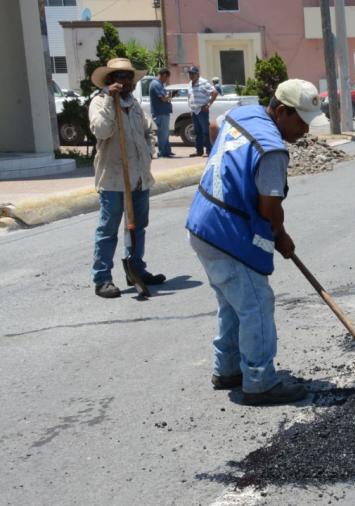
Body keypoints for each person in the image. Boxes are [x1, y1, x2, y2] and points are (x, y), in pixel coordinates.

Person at [185, 79, 322, 405]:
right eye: (301, 121)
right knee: (257, 304)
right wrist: (282, 237)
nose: (305, 130)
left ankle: (228, 368)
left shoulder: (244, 115)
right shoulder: (272, 149)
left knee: (233, 302)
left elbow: (216, 125)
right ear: (282, 111)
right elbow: (269, 208)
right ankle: (259, 380)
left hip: (202, 224)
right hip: (227, 234)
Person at [88, 57, 167, 298]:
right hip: (113, 179)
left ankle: (136, 270)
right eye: (120, 77)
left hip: (139, 178)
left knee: (137, 227)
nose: (125, 81)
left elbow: (148, 130)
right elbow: (102, 130)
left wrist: (149, 151)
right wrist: (112, 102)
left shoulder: (134, 104)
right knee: (108, 229)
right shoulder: (99, 103)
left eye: (128, 77)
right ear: (110, 80)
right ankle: (102, 278)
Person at [187, 66, 218, 157]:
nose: (191, 75)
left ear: (197, 74)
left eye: (193, 73)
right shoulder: (189, 84)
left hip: (202, 110)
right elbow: (189, 97)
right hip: (194, 111)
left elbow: (215, 92)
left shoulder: (203, 82)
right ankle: (199, 151)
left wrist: (209, 104)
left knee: (205, 131)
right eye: (190, 73)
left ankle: (209, 151)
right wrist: (190, 108)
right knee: (197, 132)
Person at [149, 68, 174, 158]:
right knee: (163, 133)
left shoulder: (158, 84)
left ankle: (167, 151)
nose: (166, 80)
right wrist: (168, 96)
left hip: (162, 112)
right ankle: (163, 152)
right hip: (160, 112)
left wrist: (167, 96)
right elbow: (163, 98)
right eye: (166, 78)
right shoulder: (156, 84)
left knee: (165, 132)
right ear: (164, 75)